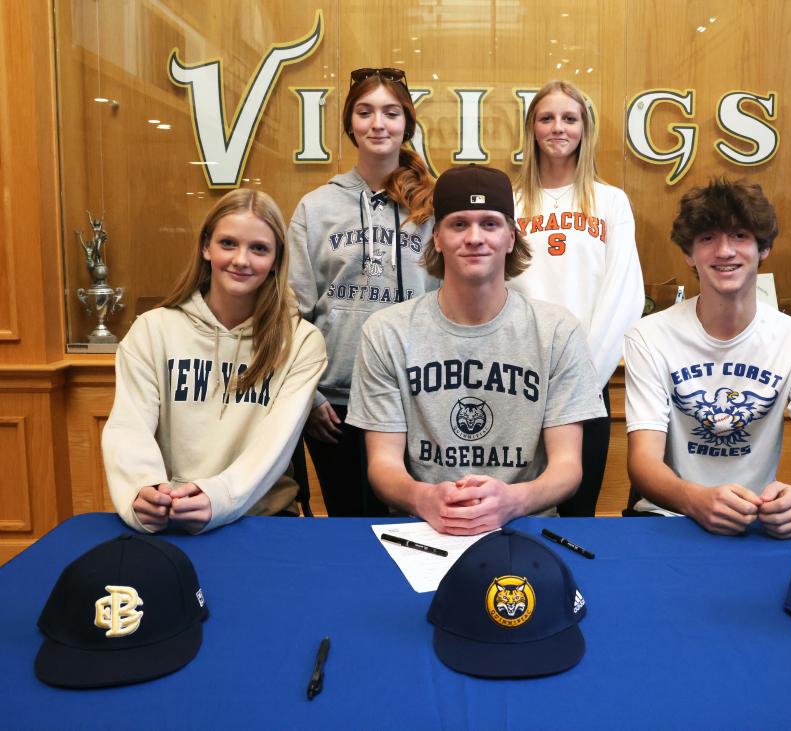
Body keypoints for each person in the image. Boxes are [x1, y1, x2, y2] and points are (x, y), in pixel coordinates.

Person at [347, 165, 607, 535]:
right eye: (458, 224)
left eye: (489, 223)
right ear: (436, 237)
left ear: (511, 237)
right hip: (423, 529)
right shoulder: (387, 332)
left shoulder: (557, 331)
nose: (474, 237)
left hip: (525, 526)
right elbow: (383, 466)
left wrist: (514, 500)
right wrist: (424, 498)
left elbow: (567, 469)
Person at [624, 178, 791, 538]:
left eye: (740, 236)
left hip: (757, 521)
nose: (724, 251)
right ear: (688, 253)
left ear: (763, 248)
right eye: (708, 238)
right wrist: (695, 499)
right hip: (667, 518)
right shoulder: (649, 336)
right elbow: (643, 462)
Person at [102, 189, 328, 533]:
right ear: (206, 247)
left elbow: (274, 444)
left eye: (259, 248)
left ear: (276, 260)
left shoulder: (301, 342)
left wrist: (218, 497)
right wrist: (141, 488)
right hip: (173, 515)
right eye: (228, 244)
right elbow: (128, 425)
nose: (241, 260)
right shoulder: (152, 329)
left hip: (263, 520)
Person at [287, 67, 436, 516]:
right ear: (350, 124)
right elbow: (291, 313)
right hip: (334, 406)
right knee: (348, 522)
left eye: (391, 113)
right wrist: (307, 396)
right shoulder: (316, 207)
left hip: (416, 396)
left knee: (415, 525)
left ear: (407, 124)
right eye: (365, 112)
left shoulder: (432, 206)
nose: (378, 123)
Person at [509, 80, 644, 516]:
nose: (558, 128)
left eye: (570, 118)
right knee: (519, 505)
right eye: (546, 118)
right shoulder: (508, 203)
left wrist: (582, 378)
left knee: (577, 512)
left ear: (586, 128)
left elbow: (624, 294)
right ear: (531, 128)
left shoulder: (610, 202)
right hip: (519, 380)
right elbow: (501, 291)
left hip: (588, 380)